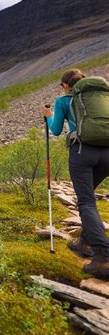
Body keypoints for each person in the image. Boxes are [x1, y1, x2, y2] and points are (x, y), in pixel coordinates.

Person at [43, 68, 109, 278]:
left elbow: (54, 130)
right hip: (107, 153)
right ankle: (86, 242)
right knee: (87, 197)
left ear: (65, 85)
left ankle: (102, 257)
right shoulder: (100, 97)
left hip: (82, 152)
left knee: (86, 201)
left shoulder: (64, 101)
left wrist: (48, 116)